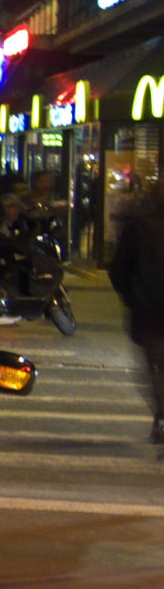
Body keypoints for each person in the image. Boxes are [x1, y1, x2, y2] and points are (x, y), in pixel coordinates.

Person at [109, 181, 164, 445]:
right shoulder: (140, 226)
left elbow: (119, 268)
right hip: (149, 307)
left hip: (148, 309)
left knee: (155, 366)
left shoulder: (139, 225)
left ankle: (162, 416)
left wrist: (132, 298)